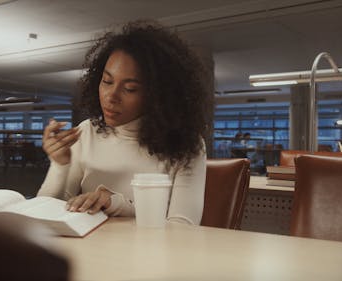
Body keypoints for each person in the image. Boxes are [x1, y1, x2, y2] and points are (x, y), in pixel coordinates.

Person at [37, 20, 213, 224]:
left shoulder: (186, 146)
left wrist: (116, 204)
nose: (111, 96)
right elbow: (45, 211)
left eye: (130, 89)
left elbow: (183, 227)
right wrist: (60, 165)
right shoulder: (87, 132)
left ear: (158, 96)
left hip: (149, 253)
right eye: (107, 81)